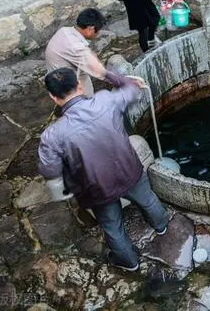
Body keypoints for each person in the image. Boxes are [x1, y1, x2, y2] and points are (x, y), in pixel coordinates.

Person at [38, 67, 169, 272]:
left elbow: (49, 170)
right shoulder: (106, 100)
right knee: (148, 199)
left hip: (96, 187)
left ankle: (129, 262)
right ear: (79, 85)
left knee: (112, 226)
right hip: (128, 170)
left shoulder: (52, 135)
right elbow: (132, 89)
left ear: (53, 97)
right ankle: (162, 227)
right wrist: (104, 72)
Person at [45, 8, 107, 97]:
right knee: (86, 100)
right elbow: (99, 71)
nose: (98, 34)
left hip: (54, 76)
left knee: (85, 75)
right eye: (98, 31)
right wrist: (124, 82)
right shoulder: (76, 47)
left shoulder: (64, 30)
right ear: (90, 29)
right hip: (64, 86)